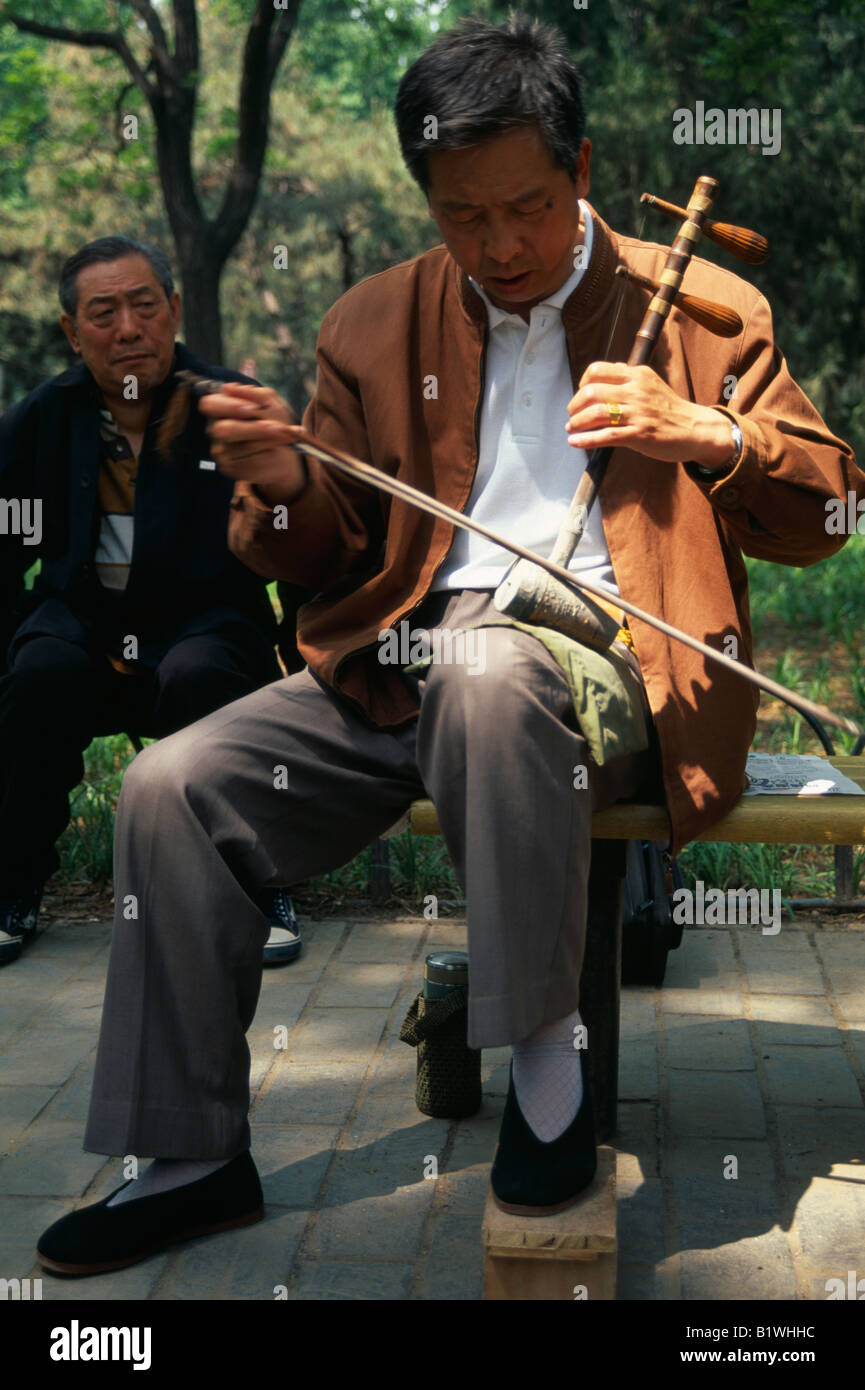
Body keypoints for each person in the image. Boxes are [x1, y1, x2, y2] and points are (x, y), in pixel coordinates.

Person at [35, 16, 862, 1275]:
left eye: (525, 206)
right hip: (404, 670)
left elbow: (830, 510)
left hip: (611, 675)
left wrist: (707, 432)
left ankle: (547, 1074)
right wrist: (275, 486)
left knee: (491, 669)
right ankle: (193, 1152)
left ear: (580, 170)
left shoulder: (699, 304)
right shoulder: (375, 322)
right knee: (170, 787)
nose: (499, 246)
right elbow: (328, 552)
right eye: (460, 216)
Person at [0, 237, 304, 968]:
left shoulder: (228, 406)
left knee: (200, 672)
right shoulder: (44, 419)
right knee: (39, 672)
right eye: (104, 314)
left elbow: (297, 535)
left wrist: (305, 652)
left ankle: (251, 887)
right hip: (82, 622)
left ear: (173, 309)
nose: (128, 329)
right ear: (73, 332)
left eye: (144, 306)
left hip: (206, 621)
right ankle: (12, 884)